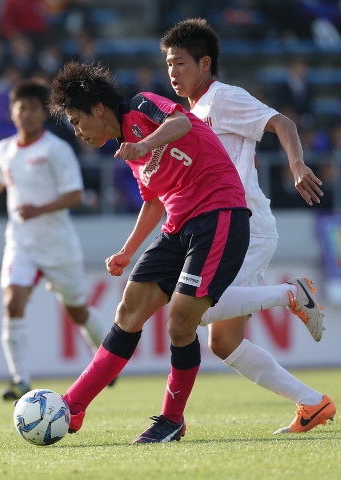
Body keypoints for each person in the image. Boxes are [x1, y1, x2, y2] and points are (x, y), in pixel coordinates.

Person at [49, 60, 252, 443]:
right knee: (128, 310)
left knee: (179, 322)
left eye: (77, 121)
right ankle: (73, 407)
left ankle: (172, 419)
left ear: (97, 110)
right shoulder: (129, 153)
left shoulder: (142, 107)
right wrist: (127, 251)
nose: (77, 132)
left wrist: (144, 143)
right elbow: (155, 202)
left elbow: (183, 123)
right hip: (178, 226)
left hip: (219, 215)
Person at [159, 17, 336, 434]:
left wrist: (296, 164)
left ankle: (291, 293)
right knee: (223, 341)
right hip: (227, 225)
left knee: (194, 313)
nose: (173, 72)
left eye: (181, 62)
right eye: (168, 63)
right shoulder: (191, 113)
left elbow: (283, 123)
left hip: (245, 225)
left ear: (205, 64)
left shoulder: (222, 99)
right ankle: (313, 404)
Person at [0, 79, 110, 401]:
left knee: (78, 312)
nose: (25, 114)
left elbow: (76, 195)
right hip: (21, 243)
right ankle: (20, 380)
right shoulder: (5, 150)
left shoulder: (56, 149)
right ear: (12, 111)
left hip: (57, 244)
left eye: (32, 108)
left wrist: (40, 208)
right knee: (13, 302)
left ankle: (107, 361)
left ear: (43, 114)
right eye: (20, 107)